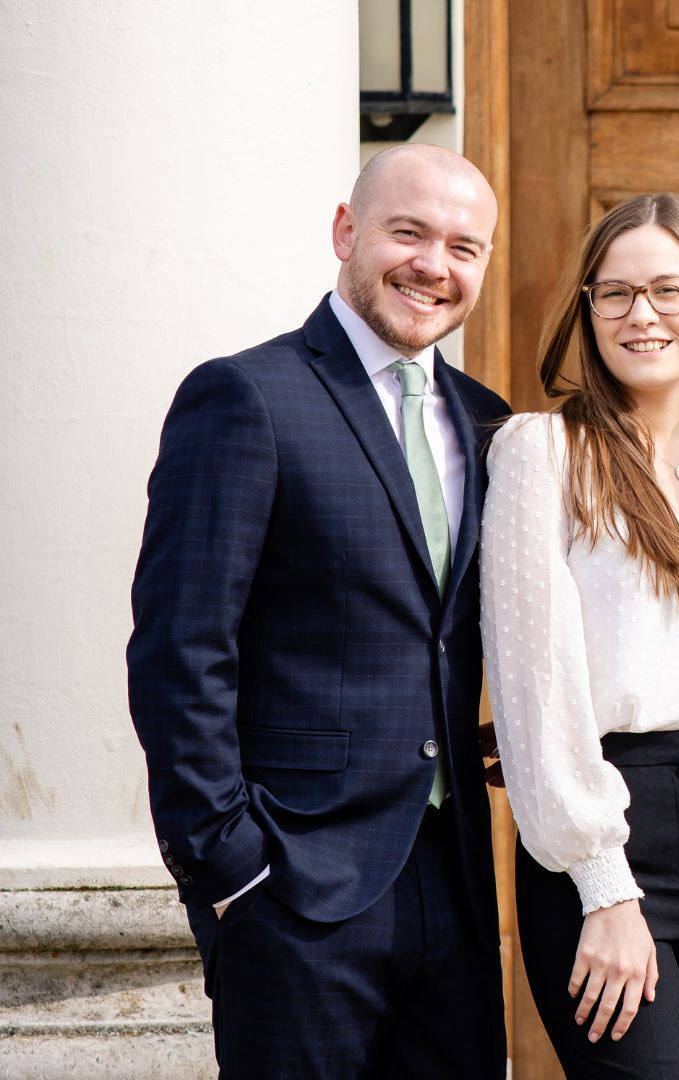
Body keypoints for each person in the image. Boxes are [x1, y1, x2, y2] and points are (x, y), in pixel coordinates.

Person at [127, 144, 510, 1077]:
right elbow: (181, 649)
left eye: (464, 246)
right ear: (347, 231)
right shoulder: (247, 396)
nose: (435, 265)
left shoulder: (491, 420)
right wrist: (229, 869)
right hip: (290, 889)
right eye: (408, 232)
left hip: (453, 885)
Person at [482, 193, 679, 1078]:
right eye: (615, 293)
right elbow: (534, 683)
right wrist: (604, 888)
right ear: (587, 311)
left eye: (669, 289)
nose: (643, 315)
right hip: (610, 824)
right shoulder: (540, 454)